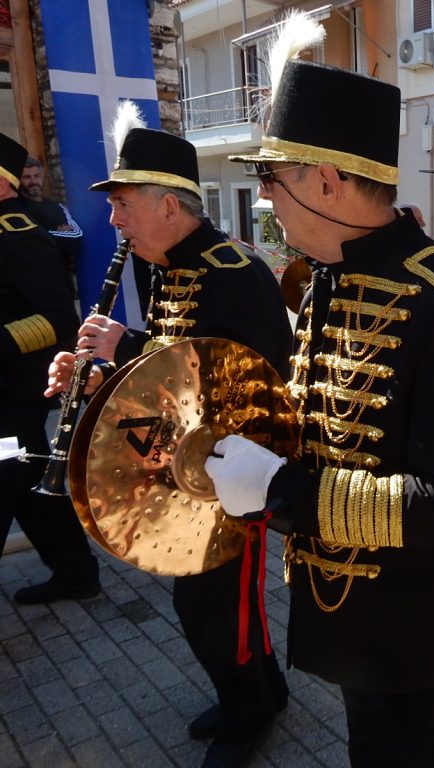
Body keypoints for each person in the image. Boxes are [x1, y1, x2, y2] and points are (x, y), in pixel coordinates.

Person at [205, 23, 434, 767]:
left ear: (326, 182)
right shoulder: (328, 271)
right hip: (345, 596)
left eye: (272, 178)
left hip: (414, 613)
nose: (265, 197)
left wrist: (281, 490)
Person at [46, 109, 292, 768]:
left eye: (123, 205)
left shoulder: (232, 271)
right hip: (192, 465)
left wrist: (127, 346)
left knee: (212, 604)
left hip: (236, 470)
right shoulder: (173, 266)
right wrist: (98, 377)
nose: (114, 220)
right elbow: (167, 379)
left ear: (168, 206)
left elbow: (240, 383)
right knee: (218, 603)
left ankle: (249, 715)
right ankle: (263, 691)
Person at [0, 131, 96, 603]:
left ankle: (77, 573)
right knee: (27, 479)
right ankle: (77, 574)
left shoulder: (20, 235)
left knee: (9, 471)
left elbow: (59, 319)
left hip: (12, 392)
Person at [19, 156, 83, 296]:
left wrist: (40, 234)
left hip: (61, 284)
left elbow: (76, 237)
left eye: (36, 176)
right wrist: (58, 234)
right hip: (29, 287)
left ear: (42, 177)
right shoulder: (17, 209)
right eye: (27, 177)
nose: (33, 181)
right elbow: (25, 241)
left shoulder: (57, 207)